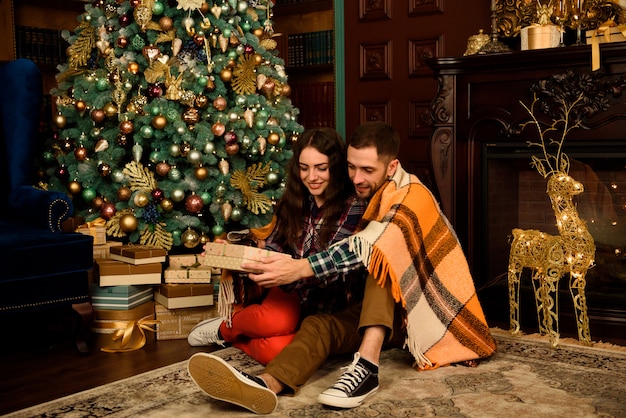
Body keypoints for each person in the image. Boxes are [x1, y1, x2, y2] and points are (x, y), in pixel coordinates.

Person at [187, 121, 496, 415]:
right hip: (331, 306)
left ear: (391, 167)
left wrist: (302, 268)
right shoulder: (318, 198)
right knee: (309, 328)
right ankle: (263, 385)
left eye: (367, 170)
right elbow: (276, 242)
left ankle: (367, 367)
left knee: (379, 253)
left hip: (395, 312)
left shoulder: (404, 195)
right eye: (352, 167)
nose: (357, 178)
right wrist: (242, 255)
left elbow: (363, 248)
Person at [187, 127, 368, 366]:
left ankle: (233, 336)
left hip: (325, 301)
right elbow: (275, 246)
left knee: (276, 352)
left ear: (335, 167)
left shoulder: (353, 206)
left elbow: (330, 270)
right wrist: (240, 256)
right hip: (288, 293)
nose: (311, 177)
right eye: (304, 168)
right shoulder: (294, 199)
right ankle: (225, 328)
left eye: (321, 168)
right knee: (274, 321)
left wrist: (286, 270)